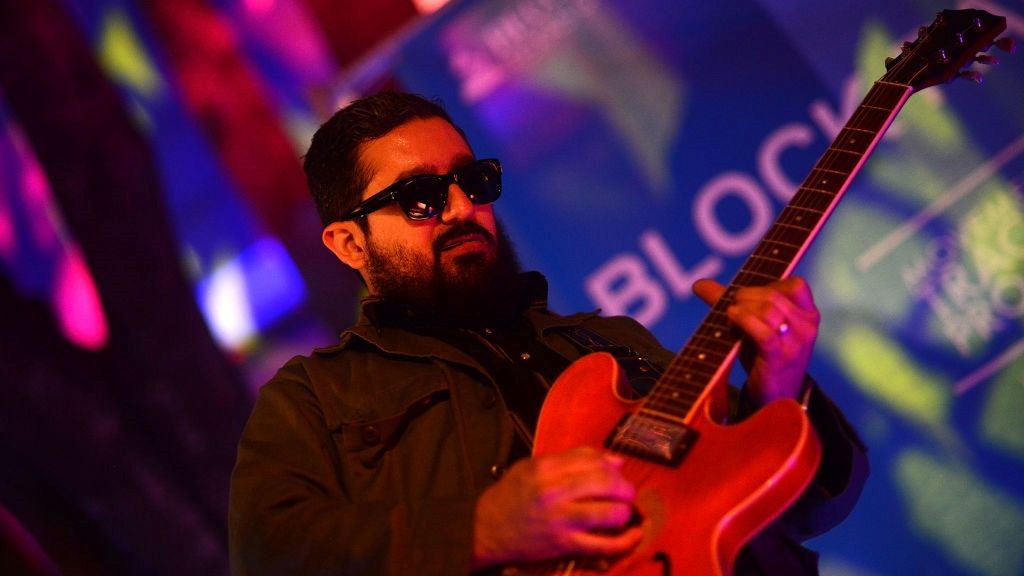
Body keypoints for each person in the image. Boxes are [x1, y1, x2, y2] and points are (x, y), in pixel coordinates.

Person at [228, 92, 868, 575]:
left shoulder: (611, 342)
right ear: (347, 243)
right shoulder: (313, 397)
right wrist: (481, 527)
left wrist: (775, 382)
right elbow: (271, 554)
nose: (460, 208)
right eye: (420, 197)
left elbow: (803, 508)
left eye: (472, 181)